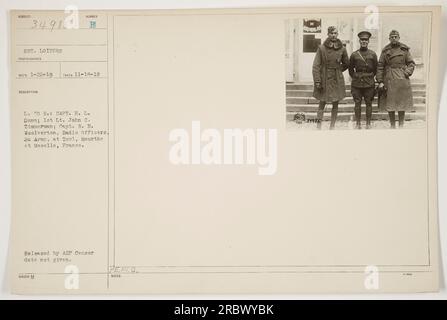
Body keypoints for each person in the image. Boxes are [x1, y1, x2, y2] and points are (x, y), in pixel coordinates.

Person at [312, 26, 349, 129]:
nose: (334, 35)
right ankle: (318, 126)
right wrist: (318, 80)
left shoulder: (342, 48)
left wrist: (338, 70)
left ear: (338, 34)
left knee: (335, 102)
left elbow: (346, 63)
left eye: (335, 33)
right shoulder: (321, 48)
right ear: (328, 34)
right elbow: (316, 66)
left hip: (336, 79)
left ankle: (332, 126)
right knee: (322, 102)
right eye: (332, 33)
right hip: (324, 78)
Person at [376, 30, 415, 128]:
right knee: (391, 103)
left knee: (402, 102)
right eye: (392, 37)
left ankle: (401, 124)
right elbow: (380, 66)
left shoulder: (404, 50)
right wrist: (380, 81)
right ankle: (392, 125)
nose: (394, 38)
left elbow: (411, 63)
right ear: (389, 38)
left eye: (395, 36)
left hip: (402, 78)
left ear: (399, 38)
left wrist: (407, 72)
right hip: (389, 78)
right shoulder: (385, 50)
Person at [348, 31, 378, 129]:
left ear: (368, 41)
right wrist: (356, 77)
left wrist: (369, 76)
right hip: (357, 83)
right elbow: (350, 69)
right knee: (357, 103)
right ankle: (358, 123)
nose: (364, 42)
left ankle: (368, 123)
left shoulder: (373, 54)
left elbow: (376, 69)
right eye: (362, 40)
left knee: (368, 103)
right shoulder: (354, 55)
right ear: (359, 41)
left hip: (369, 83)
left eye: (365, 40)